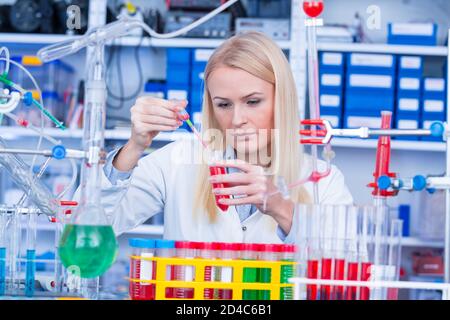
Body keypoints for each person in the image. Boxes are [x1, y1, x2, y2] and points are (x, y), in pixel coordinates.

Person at [100, 31, 353, 243]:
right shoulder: (175, 162)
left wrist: (282, 209)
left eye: (253, 101)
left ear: (281, 100)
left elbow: (344, 277)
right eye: (223, 105)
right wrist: (134, 147)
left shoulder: (323, 181)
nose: (237, 119)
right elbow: (88, 231)